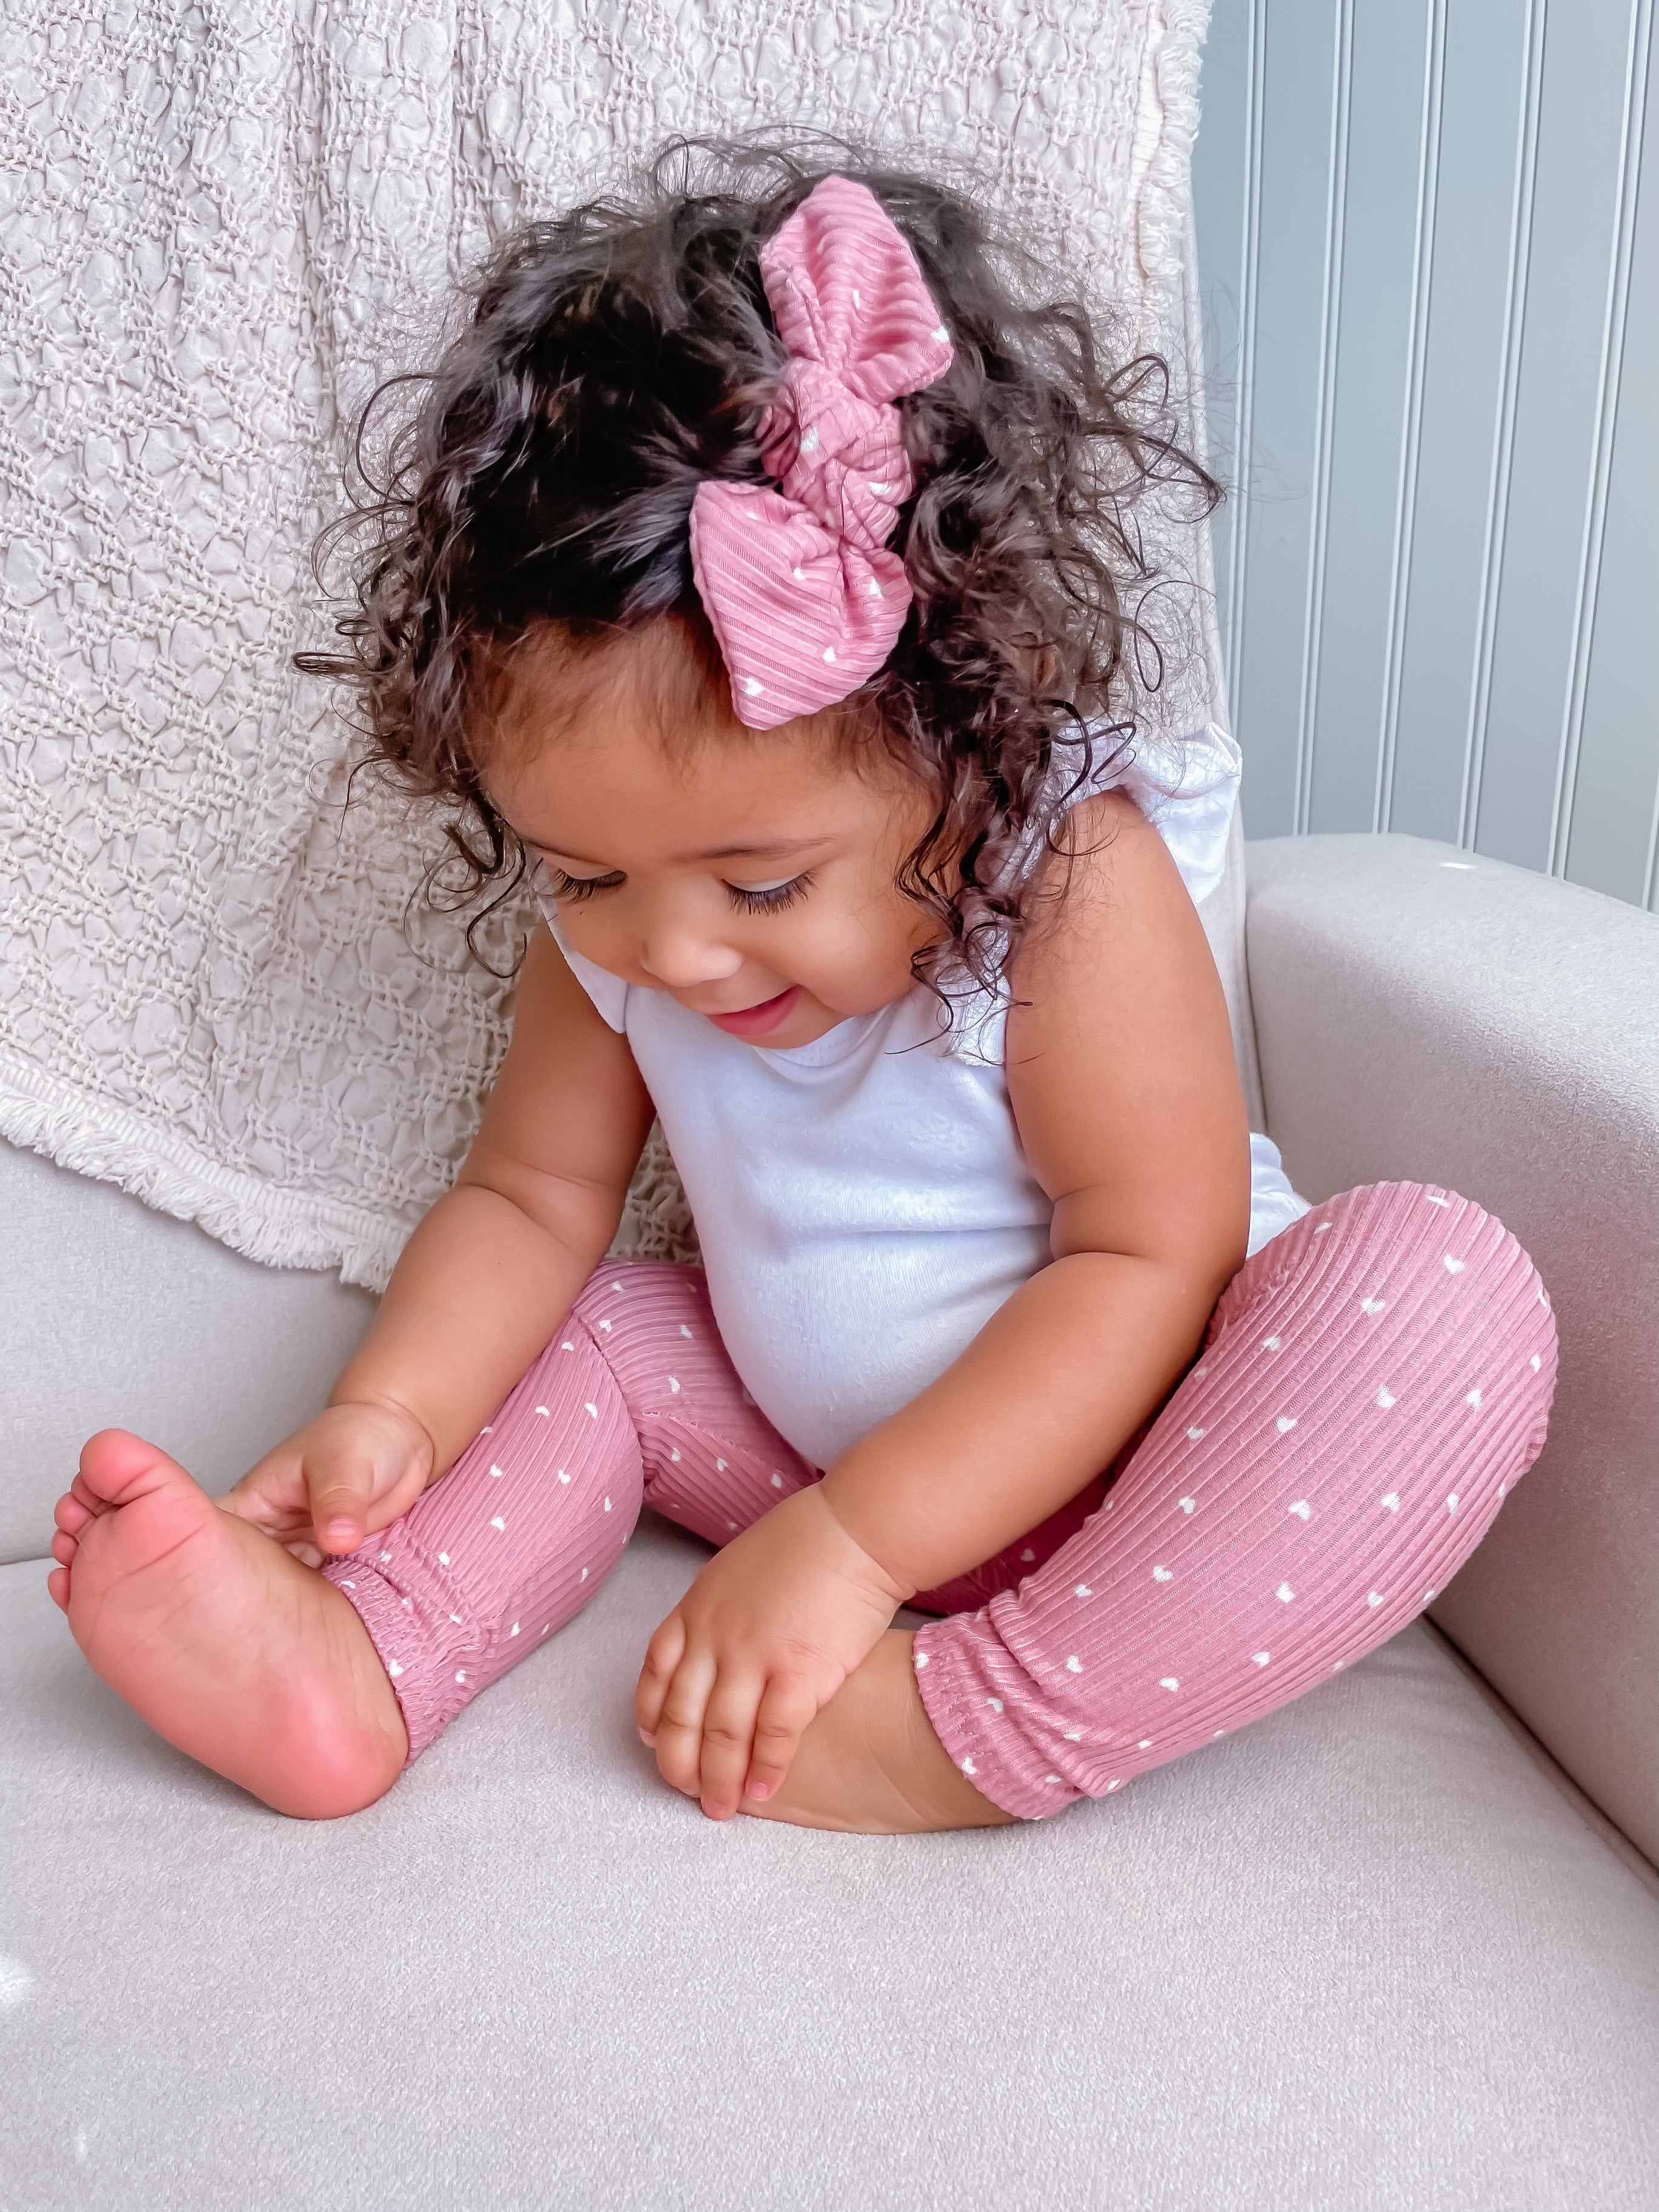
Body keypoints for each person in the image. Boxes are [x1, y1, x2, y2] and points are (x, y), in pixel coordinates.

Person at [47, 144, 1557, 1832]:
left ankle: (981, 1722)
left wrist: (850, 1552)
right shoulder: (621, 944)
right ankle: (357, 1657)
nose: (672, 954)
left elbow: (1150, 1256)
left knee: (1439, 1287)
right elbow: (531, 1196)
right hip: (811, 1452)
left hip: (1156, 1458)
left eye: (761, 883)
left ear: (962, 742)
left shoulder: (1063, 874)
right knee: (609, 1328)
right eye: (588, 875)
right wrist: (385, 1413)